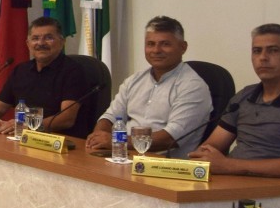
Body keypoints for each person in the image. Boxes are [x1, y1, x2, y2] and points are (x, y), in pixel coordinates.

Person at [188, 23, 280, 180]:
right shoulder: (244, 96)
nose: (263, 57)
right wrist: (203, 158)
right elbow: (211, 146)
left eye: (273, 50)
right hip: (230, 182)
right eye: (257, 51)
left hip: (274, 190)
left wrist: (228, 165)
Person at [84, 16, 211, 156]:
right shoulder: (134, 80)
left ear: (183, 47)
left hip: (163, 164)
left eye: (165, 44)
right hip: (123, 156)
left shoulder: (193, 86)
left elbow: (170, 139)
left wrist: (117, 140)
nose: (156, 50)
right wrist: (99, 136)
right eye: (150, 44)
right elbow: (110, 117)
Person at [0, 16, 87, 136]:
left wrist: (30, 126)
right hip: (23, 137)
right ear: (28, 44)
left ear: (62, 42)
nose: (41, 43)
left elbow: (66, 118)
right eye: (35, 38)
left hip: (58, 141)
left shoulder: (73, 71)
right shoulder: (21, 70)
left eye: (48, 38)